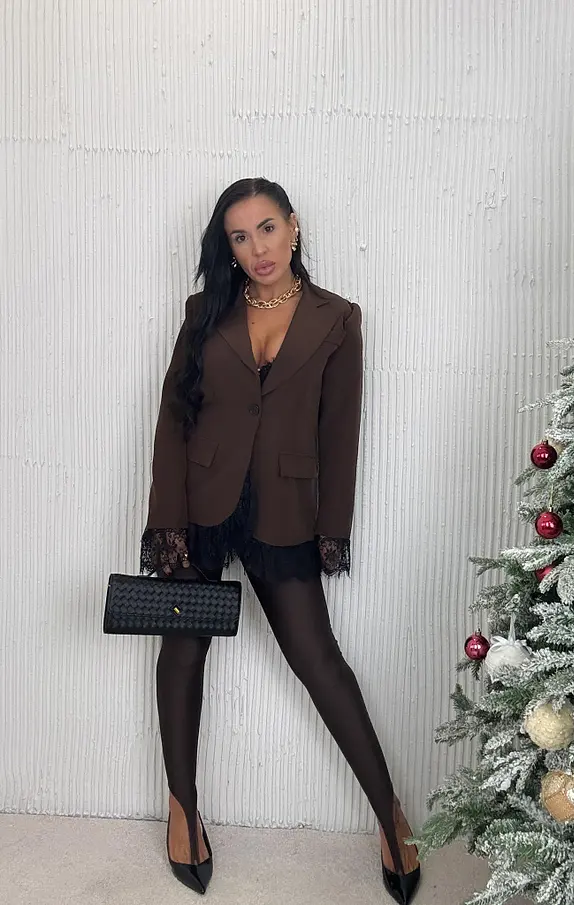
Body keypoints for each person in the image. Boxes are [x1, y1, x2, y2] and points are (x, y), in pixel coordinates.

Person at [141, 177, 421, 903]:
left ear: (293, 227)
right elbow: (173, 420)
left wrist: (332, 531)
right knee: (182, 652)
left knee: (319, 662)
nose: (256, 248)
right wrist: (166, 520)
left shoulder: (337, 319)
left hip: (284, 508)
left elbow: (340, 434)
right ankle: (182, 810)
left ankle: (388, 814)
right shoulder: (206, 311)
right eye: (239, 236)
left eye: (267, 228)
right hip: (201, 502)